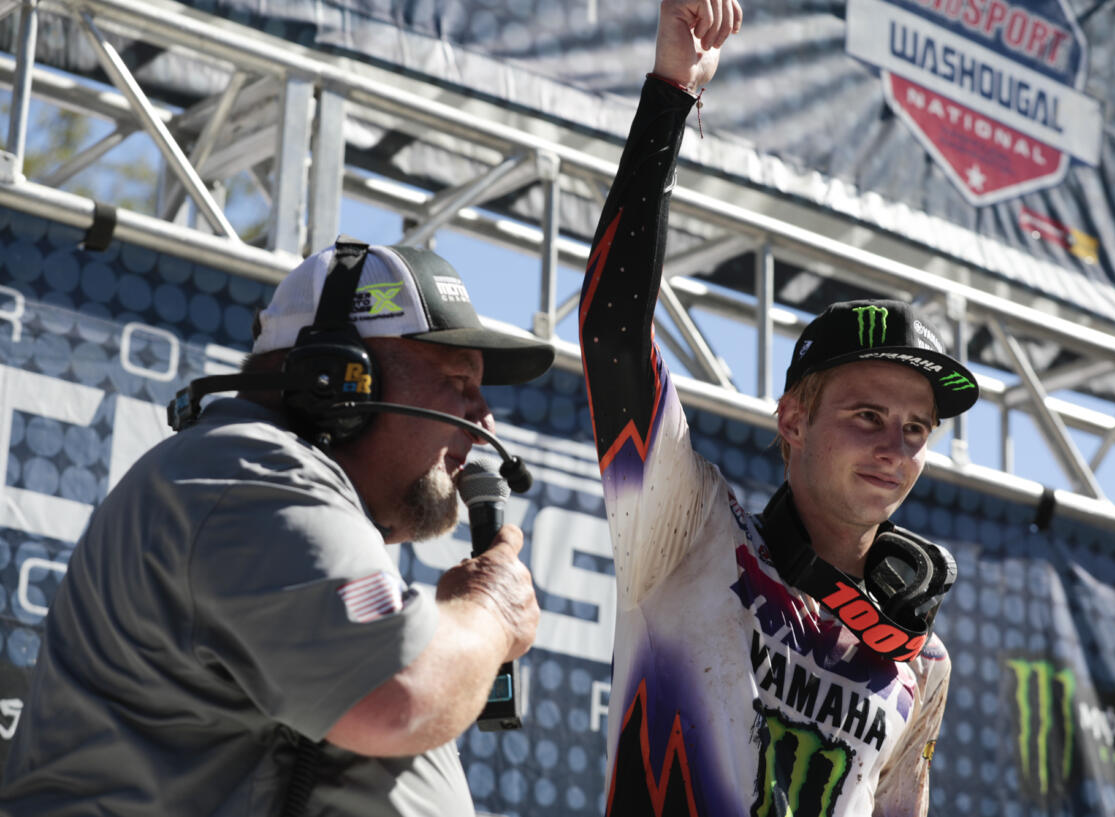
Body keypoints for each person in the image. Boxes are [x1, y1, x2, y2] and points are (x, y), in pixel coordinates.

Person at [579, 2, 980, 815]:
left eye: (915, 430)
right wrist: (671, 93)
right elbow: (613, 333)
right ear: (791, 419)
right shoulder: (688, 529)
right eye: (866, 416)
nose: (894, 449)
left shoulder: (921, 663)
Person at [0, 239, 554, 816]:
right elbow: (400, 696)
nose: (484, 418)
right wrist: (490, 610)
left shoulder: (271, 484)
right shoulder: (252, 473)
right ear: (339, 379)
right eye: (458, 381)